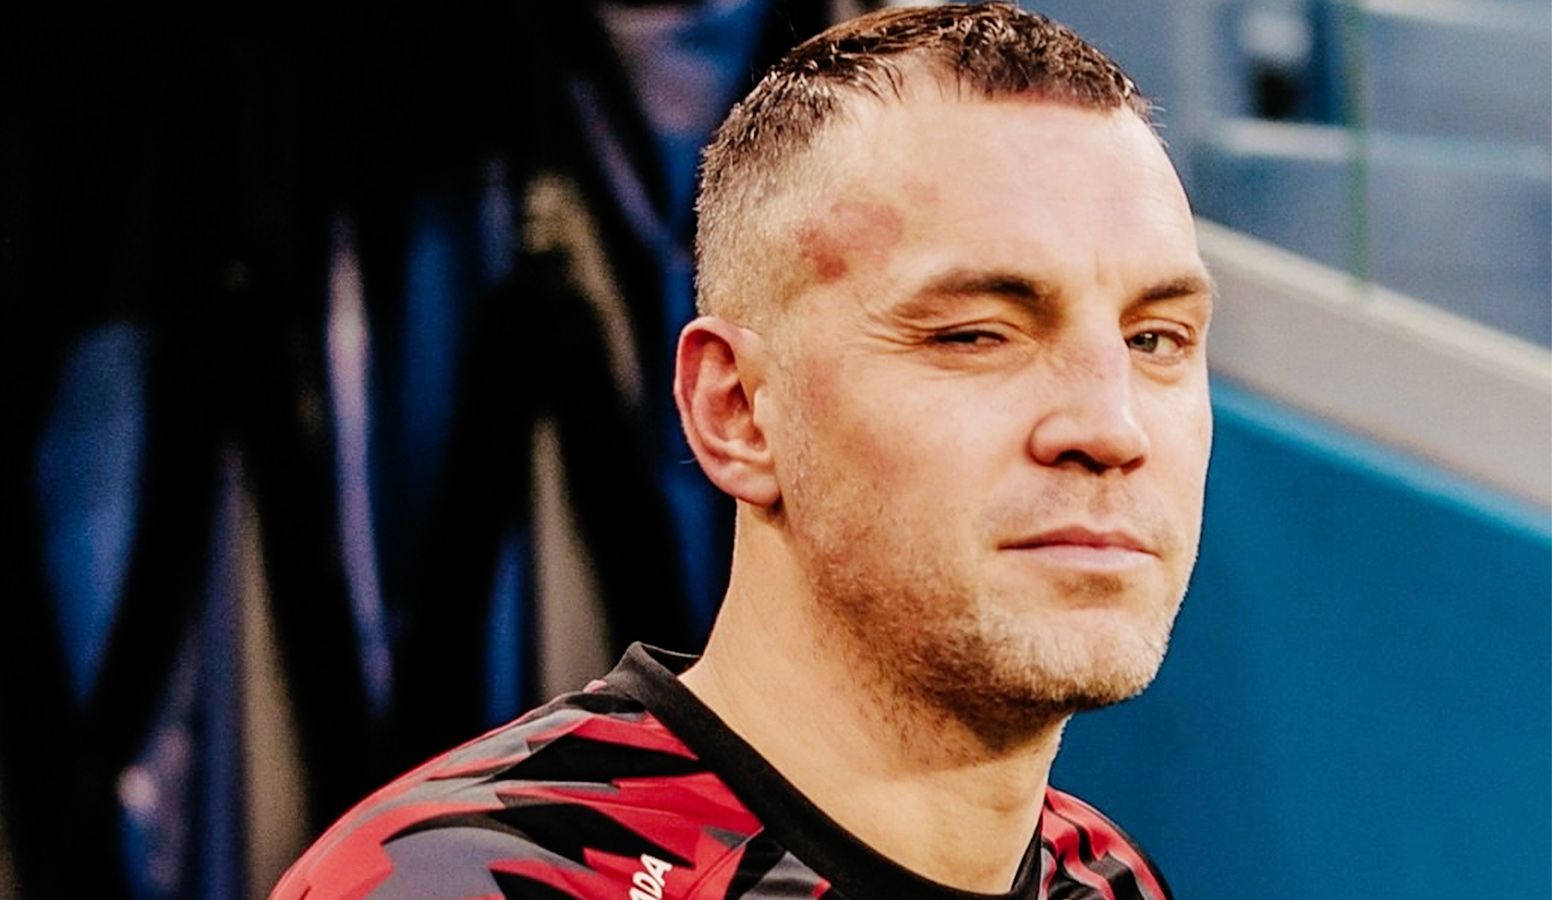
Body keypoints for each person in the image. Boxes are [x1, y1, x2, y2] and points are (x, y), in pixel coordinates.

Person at [274, 3, 1212, 897]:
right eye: (975, 335)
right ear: (737, 412)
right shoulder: (468, 885)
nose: (1110, 428)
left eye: (1155, 339)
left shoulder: (1105, 876)